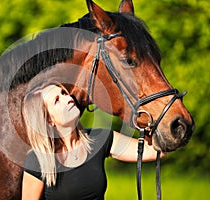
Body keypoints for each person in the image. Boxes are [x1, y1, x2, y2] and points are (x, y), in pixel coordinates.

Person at [21, 81, 165, 200]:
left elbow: (152, 151)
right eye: (57, 101)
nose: (69, 98)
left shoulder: (98, 138)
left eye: (64, 93)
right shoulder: (37, 160)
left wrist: (147, 120)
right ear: (48, 120)